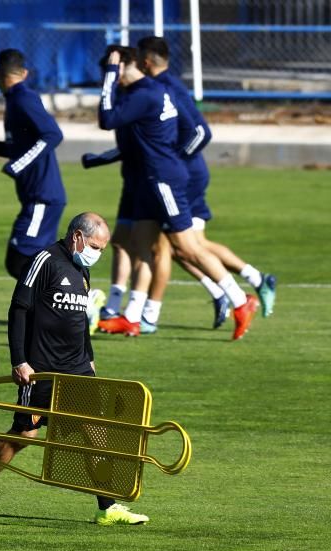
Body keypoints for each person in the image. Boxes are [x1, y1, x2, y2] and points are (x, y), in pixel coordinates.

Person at [0, 212, 150, 527]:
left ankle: (107, 507)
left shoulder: (82, 270)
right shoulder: (44, 261)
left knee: (95, 431)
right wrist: (19, 360)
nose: (98, 254)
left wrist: (89, 358)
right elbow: (18, 309)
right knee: (25, 434)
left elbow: (79, 322)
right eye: (95, 246)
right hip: (42, 371)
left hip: (77, 370)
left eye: (103, 249)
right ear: (77, 236)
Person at [93, 47, 257, 340]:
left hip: (163, 179)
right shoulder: (150, 90)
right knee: (141, 245)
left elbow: (107, 119)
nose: (113, 77)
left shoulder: (145, 94)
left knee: (187, 247)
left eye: (116, 69)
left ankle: (241, 301)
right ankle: (132, 317)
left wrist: (109, 75)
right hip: (149, 179)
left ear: (128, 66)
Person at [137, 37, 277, 324]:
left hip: (184, 175)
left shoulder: (169, 87)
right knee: (184, 245)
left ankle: (149, 315)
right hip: (181, 172)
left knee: (179, 246)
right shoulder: (160, 86)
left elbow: (201, 132)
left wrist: (175, 158)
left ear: (146, 61)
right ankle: (246, 283)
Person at [0, 49, 67, 279]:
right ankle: (59, 307)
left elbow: (53, 135)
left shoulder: (23, 98)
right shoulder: (16, 100)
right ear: (25, 73)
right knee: (34, 263)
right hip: (38, 197)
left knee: (20, 261)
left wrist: (19, 165)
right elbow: (18, 148)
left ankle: (80, 300)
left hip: (42, 198)